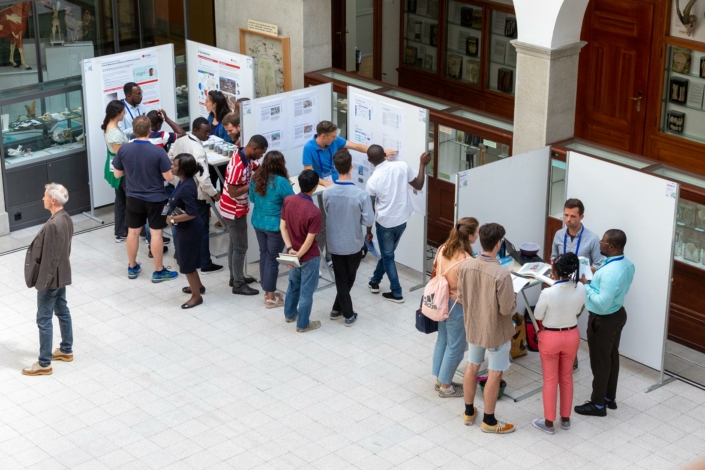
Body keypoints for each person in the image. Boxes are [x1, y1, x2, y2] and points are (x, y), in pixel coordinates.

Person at [302, 121, 397, 266]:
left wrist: (380, 154)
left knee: (338, 220)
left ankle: (330, 256)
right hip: (325, 188)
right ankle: (318, 258)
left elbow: (357, 146)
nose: (335, 139)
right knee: (324, 224)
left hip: (340, 183)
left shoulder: (334, 140)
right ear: (323, 136)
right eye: (332, 136)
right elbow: (308, 170)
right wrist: (325, 183)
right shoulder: (309, 148)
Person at [457, 223, 517, 434]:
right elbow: (507, 308)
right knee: (494, 373)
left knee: (472, 366)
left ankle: (468, 412)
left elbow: (462, 297)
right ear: (499, 243)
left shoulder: (466, 266)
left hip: (473, 327)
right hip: (495, 332)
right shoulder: (502, 275)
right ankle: (489, 421)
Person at [575, 229, 635, 417]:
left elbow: (602, 302)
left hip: (603, 320)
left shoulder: (609, 273)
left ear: (611, 246)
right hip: (617, 314)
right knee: (611, 358)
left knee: (600, 362)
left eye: (602, 241)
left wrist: (586, 285)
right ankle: (609, 398)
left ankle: (598, 404)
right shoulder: (627, 264)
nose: (599, 243)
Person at [112, 115, 178, 283]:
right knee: (156, 233)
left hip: (133, 197)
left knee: (132, 232)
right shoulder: (158, 151)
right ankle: (158, 271)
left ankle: (132, 267)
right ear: (150, 130)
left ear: (133, 131)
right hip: (156, 198)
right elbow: (169, 178)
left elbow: (118, 173)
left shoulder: (124, 150)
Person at [365, 145, 431, 303]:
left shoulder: (372, 181)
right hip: (402, 219)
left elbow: (370, 210)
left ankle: (396, 292)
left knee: (388, 256)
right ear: (385, 155)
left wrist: (369, 231)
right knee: (388, 254)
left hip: (385, 223)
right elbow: (419, 185)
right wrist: (422, 164)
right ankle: (375, 281)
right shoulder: (401, 166)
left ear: (369, 161)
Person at [22, 184, 74, 376]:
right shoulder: (66, 218)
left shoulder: (53, 224)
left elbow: (50, 258)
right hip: (62, 275)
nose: (42, 198)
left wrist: (43, 283)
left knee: (43, 319)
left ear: (53, 200)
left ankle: (44, 363)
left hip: (50, 280)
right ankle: (66, 350)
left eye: (44, 196)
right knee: (62, 311)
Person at [531, 253, 586, 434]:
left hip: (551, 338)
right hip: (572, 335)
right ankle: (565, 419)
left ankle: (548, 422)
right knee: (567, 377)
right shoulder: (581, 288)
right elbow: (578, 310)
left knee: (550, 380)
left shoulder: (547, 292)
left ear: (554, 270)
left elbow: (538, 315)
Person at [550, 198, 604, 373]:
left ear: (581, 217)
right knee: (558, 321)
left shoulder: (592, 239)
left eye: (573, 216)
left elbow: (601, 263)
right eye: (566, 215)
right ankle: (562, 356)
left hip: (578, 287)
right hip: (559, 284)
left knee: (568, 321)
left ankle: (570, 360)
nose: (568, 219)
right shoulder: (559, 235)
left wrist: (587, 272)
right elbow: (553, 256)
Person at [322, 149, 374, 326]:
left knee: (342, 278)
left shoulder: (327, 193)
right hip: (353, 242)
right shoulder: (360, 194)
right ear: (351, 166)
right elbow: (368, 219)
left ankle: (337, 308)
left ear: (335, 167)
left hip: (334, 242)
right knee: (348, 277)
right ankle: (348, 314)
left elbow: (328, 212)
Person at [168, 117, 223, 275]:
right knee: (203, 229)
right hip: (197, 194)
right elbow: (204, 178)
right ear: (196, 131)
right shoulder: (198, 150)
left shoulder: (180, 140)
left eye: (209, 131)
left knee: (182, 225)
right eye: (205, 132)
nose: (208, 134)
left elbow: (170, 156)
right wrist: (214, 194)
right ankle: (205, 262)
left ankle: (179, 254)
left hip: (181, 187)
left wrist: (179, 174)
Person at [431, 217, 479, 397]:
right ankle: (446, 387)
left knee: (442, 340)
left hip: (440, 301)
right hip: (456, 306)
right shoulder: (466, 261)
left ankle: (439, 379)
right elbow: (469, 290)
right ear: (470, 236)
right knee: (456, 347)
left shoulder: (443, 248)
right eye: (477, 232)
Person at [219, 134, 268, 295]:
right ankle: (238, 285)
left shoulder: (245, 156)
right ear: (254, 148)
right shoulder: (238, 165)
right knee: (241, 247)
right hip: (233, 210)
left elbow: (258, 168)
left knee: (235, 243)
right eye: (261, 153)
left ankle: (235, 277)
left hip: (237, 207)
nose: (261, 156)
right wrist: (252, 183)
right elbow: (233, 192)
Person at [249, 151, 294, 308]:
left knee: (264, 255)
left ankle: (267, 292)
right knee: (272, 259)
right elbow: (291, 202)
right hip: (275, 226)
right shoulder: (281, 182)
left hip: (258, 222)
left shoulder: (256, 178)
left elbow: (252, 199)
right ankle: (270, 297)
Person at [280, 170, 322, 333]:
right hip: (309, 257)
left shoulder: (288, 201)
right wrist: (298, 255)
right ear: (315, 187)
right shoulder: (314, 212)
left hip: (292, 253)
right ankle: (303, 324)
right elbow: (310, 240)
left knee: (293, 285)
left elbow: (282, 227)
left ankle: (289, 314)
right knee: (306, 291)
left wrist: (291, 250)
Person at [166, 154, 205, 309]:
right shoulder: (183, 182)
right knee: (189, 260)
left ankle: (196, 296)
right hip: (186, 228)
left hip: (190, 229)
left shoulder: (187, 186)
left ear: (183, 169)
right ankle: (198, 286)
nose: (171, 167)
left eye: (175, 165)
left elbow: (191, 213)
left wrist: (173, 220)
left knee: (187, 263)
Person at [102, 100, 129, 243]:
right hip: (121, 170)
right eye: (123, 112)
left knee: (120, 200)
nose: (124, 114)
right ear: (117, 113)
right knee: (129, 200)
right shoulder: (114, 133)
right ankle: (132, 230)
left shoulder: (110, 127)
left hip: (115, 167)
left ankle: (121, 231)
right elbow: (121, 156)